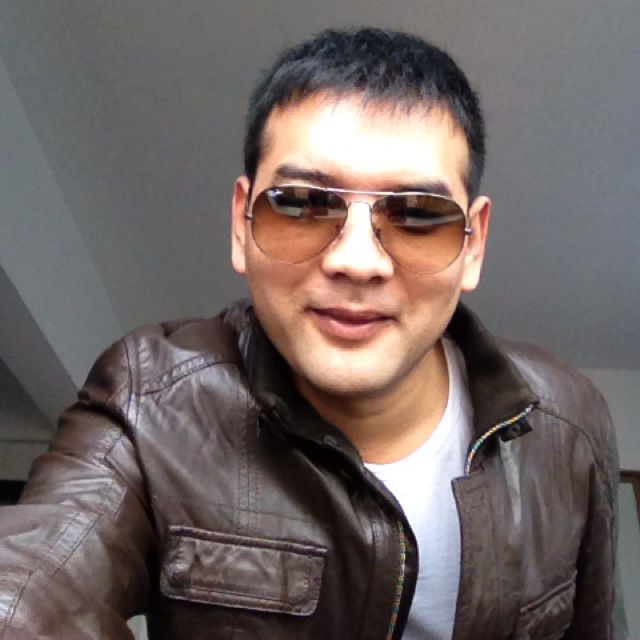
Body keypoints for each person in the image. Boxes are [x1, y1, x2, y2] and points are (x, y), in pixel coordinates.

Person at [0, 27, 622, 640]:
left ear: (473, 244)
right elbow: (29, 590)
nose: (357, 261)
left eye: (417, 215)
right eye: (300, 204)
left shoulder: (568, 424)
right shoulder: (150, 407)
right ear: (242, 224)